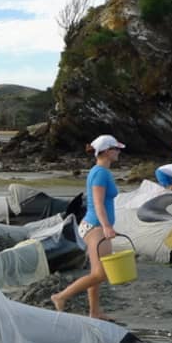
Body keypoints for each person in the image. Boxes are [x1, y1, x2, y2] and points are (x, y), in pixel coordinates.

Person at [51, 135, 125, 321]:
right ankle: (60, 297)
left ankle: (95, 312)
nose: (119, 152)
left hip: (92, 225)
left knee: (96, 273)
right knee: (102, 274)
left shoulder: (99, 171)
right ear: (107, 151)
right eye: (116, 149)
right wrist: (107, 226)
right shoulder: (100, 173)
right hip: (96, 227)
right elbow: (98, 203)